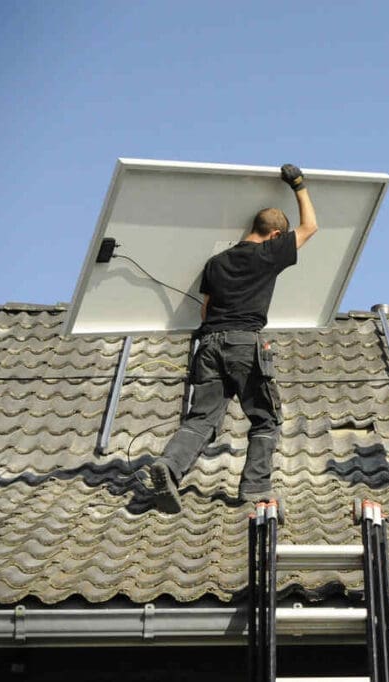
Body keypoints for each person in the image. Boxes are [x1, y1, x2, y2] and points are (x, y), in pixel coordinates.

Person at [148, 163, 318, 518]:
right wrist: (298, 184)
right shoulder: (270, 253)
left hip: (208, 346)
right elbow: (310, 227)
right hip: (245, 343)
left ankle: (169, 466)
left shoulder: (215, 262)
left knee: (201, 420)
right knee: (265, 418)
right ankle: (255, 486)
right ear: (275, 235)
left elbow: (205, 312)